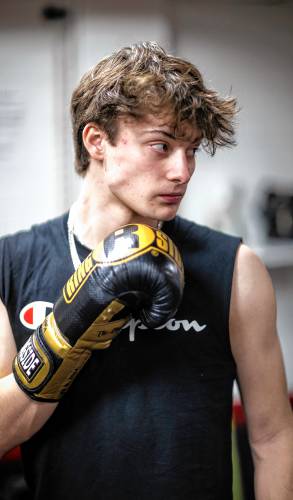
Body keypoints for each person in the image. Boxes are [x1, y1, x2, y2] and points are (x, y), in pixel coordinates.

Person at [0, 41, 292, 500]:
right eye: (162, 145)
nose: (183, 171)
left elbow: (273, 438)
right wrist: (66, 330)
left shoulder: (235, 269)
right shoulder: (11, 264)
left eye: (192, 150)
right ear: (96, 141)